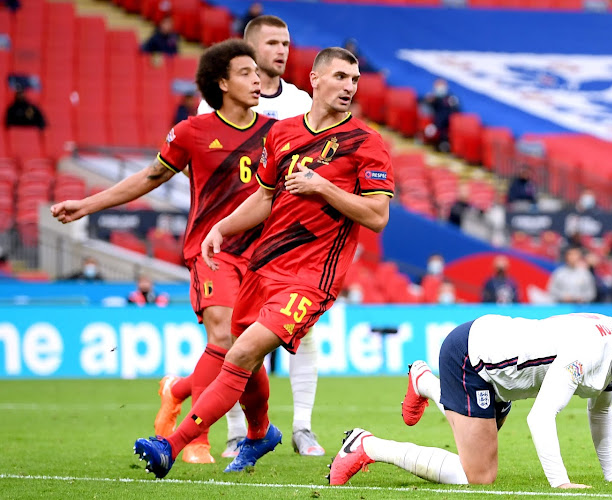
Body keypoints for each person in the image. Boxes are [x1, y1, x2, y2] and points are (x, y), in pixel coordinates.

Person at [132, 46, 394, 479]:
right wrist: (223, 227)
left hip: (312, 276)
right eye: (341, 77)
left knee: (243, 351)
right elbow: (265, 197)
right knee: (245, 361)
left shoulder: (366, 144)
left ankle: (171, 445)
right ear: (315, 78)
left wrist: (322, 187)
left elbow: (377, 216)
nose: (349, 86)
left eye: (355, 80)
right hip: (264, 265)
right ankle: (260, 433)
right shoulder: (282, 133)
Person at [51, 39, 274, 464]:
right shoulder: (192, 132)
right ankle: (194, 436)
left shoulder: (274, 132)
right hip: (214, 252)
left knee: (247, 349)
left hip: (262, 259)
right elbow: (150, 176)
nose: (256, 80)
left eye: (256, 73)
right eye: (246, 73)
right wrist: (87, 204)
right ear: (221, 83)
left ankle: (188, 396)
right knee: (225, 337)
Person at [329, 310, 612, 487]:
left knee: (475, 440)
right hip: (471, 358)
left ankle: (423, 382)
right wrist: (560, 483)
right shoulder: (588, 351)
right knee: (479, 475)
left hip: (501, 374)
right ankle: (368, 445)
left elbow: (600, 412)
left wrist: (611, 476)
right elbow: (540, 417)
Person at [195, 15, 322, 458]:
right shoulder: (214, 105)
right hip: (235, 238)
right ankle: (236, 431)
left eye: (286, 42)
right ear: (248, 50)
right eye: (272, 43)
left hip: (287, 238)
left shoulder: (301, 101)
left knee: (301, 332)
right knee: (234, 336)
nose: (282, 51)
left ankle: (303, 427)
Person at [420, 78, 459, 153]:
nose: (439, 89)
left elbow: (453, 112)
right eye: (438, 86)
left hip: (447, 124)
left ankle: (444, 143)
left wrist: (436, 125)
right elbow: (423, 102)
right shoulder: (434, 98)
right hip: (437, 124)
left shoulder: (451, 99)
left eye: (441, 86)